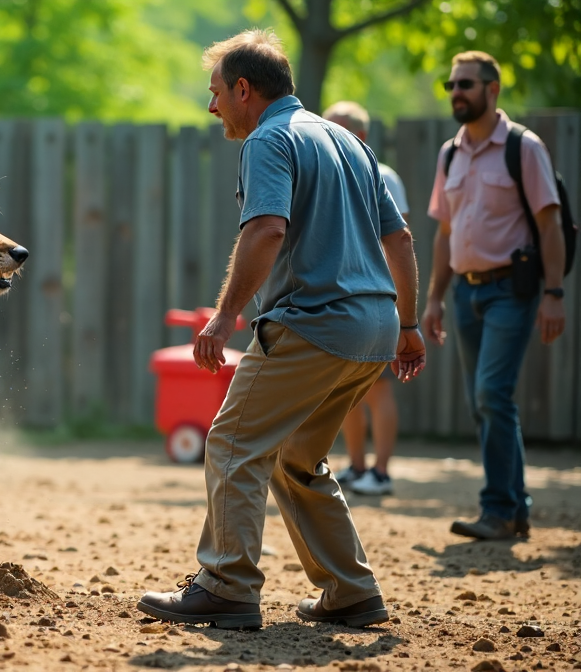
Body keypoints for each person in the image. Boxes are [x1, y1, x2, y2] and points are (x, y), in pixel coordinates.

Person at [137, 29, 425, 630]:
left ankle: (226, 586)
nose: (212, 106)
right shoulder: (348, 142)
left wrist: (224, 316)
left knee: (232, 443)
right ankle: (351, 592)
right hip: (373, 329)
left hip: (315, 323)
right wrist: (408, 323)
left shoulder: (269, 139)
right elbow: (399, 238)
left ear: (244, 89)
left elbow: (267, 229)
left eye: (216, 92)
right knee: (297, 456)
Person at [423, 51, 566, 541]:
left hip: (512, 290)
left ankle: (499, 509)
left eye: (465, 84)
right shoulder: (450, 153)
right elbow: (444, 234)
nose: (456, 92)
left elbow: (550, 225)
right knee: (484, 401)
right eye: (451, 85)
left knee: (491, 394)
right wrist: (435, 298)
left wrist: (554, 293)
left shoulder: (524, 147)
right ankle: (515, 509)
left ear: (492, 89)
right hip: (464, 293)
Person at [323, 100, 411, 497]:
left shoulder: (383, 175)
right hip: (343, 295)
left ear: (361, 135)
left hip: (375, 296)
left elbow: (398, 240)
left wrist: (397, 302)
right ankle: (357, 466)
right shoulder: (328, 174)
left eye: (337, 129)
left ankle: (382, 471)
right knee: (345, 390)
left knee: (377, 388)